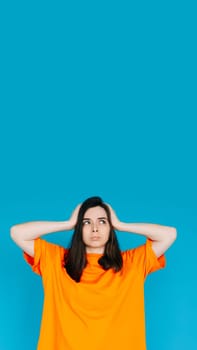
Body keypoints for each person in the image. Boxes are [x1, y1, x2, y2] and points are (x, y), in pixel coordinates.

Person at [10, 196, 177, 350]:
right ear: (78, 228)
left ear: (110, 228)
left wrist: (120, 224)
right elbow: (17, 233)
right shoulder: (56, 260)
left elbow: (169, 234)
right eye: (86, 222)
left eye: (103, 222)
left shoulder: (132, 263)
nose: (95, 228)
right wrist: (67, 224)